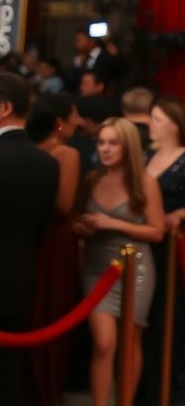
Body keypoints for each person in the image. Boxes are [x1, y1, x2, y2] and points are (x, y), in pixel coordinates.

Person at [74, 117, 165, 406]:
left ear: (127, 147)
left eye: (113, 143)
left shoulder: (145, 182)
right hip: (97, 268)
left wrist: (112, 223)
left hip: (136, 268)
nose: (106, 149)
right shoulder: (92, 179)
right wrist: (84, 227)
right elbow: (76, 221)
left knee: (129, 344)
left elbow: (156, 231)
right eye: (101, 142)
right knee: (103, 343)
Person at [137, 95, 185, 406]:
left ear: (175, 126)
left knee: (168, 319)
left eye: (157, 120)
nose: (151, 125)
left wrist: (179, 215)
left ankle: (171, 391)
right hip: (143, 246)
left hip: (173, 253)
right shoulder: (145, 157)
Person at [0, 72, 59, 405]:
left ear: (4, 108)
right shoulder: (47, 164)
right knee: (9, 374)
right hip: (21, 278)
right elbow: (39, 227)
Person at [25, 93, 82, 405]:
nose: (78, 121)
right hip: (57, 242)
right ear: (59, 123)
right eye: (74, 116)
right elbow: (63, 205)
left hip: (30, 240)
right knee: (52, 314)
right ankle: (48, 390)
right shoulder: (66, 154)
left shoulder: (27, 149)